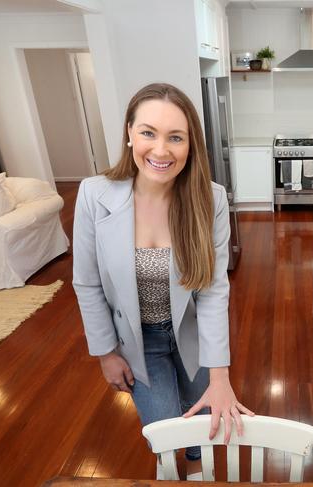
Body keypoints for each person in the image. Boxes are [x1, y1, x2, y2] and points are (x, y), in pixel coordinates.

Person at [72, 83, 253, 478]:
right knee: (164, 435)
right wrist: (105, 353)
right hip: (137, 341)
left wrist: (220, 375)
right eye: (148, 133)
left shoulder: (211, 199)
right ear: (129, 133)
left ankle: (196, 465)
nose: (160, 150)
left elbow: (213, 290)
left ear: (190, 146)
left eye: (176, 137)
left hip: (192, 334)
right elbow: (86, 284)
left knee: (201, 427)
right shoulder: (93, 195)